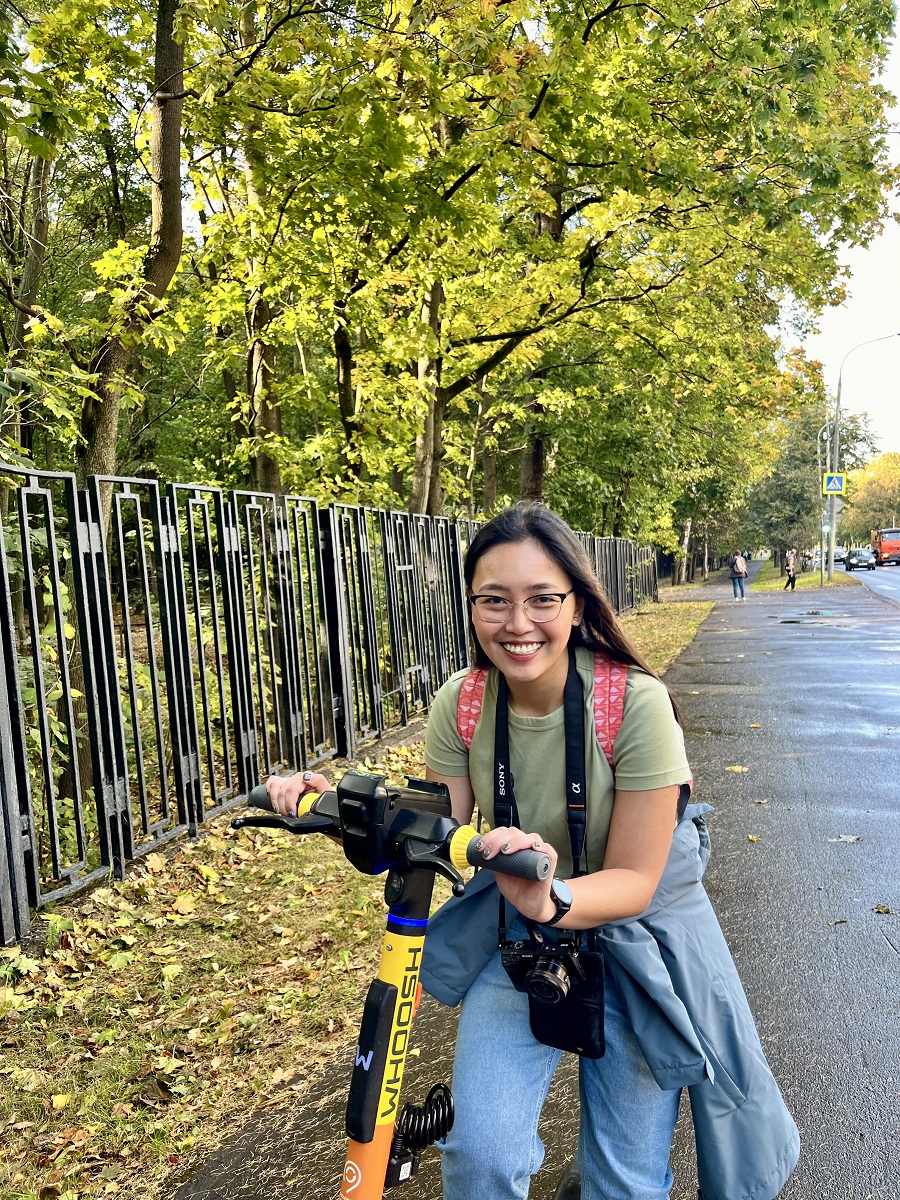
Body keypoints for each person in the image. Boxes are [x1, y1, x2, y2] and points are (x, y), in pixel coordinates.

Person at [267, 504, 799, 1200]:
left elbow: (637, 880)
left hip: (631, 946)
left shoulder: (634, 704)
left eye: (542, 599)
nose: (517, 624)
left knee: (625, 1182)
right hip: (523, 939)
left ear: (576, 605)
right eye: (494, 601)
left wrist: (554, 896)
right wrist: (344, 811)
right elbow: (435, 834)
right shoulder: (462, 701)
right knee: (480, 1157)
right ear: (471, 606)